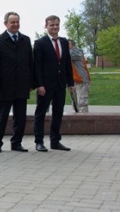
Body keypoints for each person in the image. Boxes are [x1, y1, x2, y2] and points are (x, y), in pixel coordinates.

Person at [0, 12, 34, 153]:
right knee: (1, 117)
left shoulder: (25, 40)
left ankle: (16, 143)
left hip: (22, 85)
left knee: (20, 117)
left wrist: (31, 83)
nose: (15, 25)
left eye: (17, 22)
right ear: (6, 24)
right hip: (5, 85)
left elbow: (30, 63)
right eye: (12, 22)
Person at [33, 15, 74, 152]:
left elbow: (67, 63)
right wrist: (39, 84)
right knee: (41, 113)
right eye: (52, 25)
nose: (55, 27)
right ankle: (39, 142)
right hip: (45, 85)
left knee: (58, 113)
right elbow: (37, 66)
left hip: (60, 84)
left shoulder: (63, 42)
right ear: (46, 26)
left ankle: (55, 141)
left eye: (57, 25)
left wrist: (71, 82)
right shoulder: (40, 43)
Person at [68, 39, 91, 113]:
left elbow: (65, 56)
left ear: (73, 45)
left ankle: (84, 122)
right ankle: (77, 121)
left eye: (68, 44)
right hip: (73, 82)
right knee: (75, 103)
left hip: (82, 81)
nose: (65, 46)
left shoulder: (77, 52)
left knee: (82, 102)